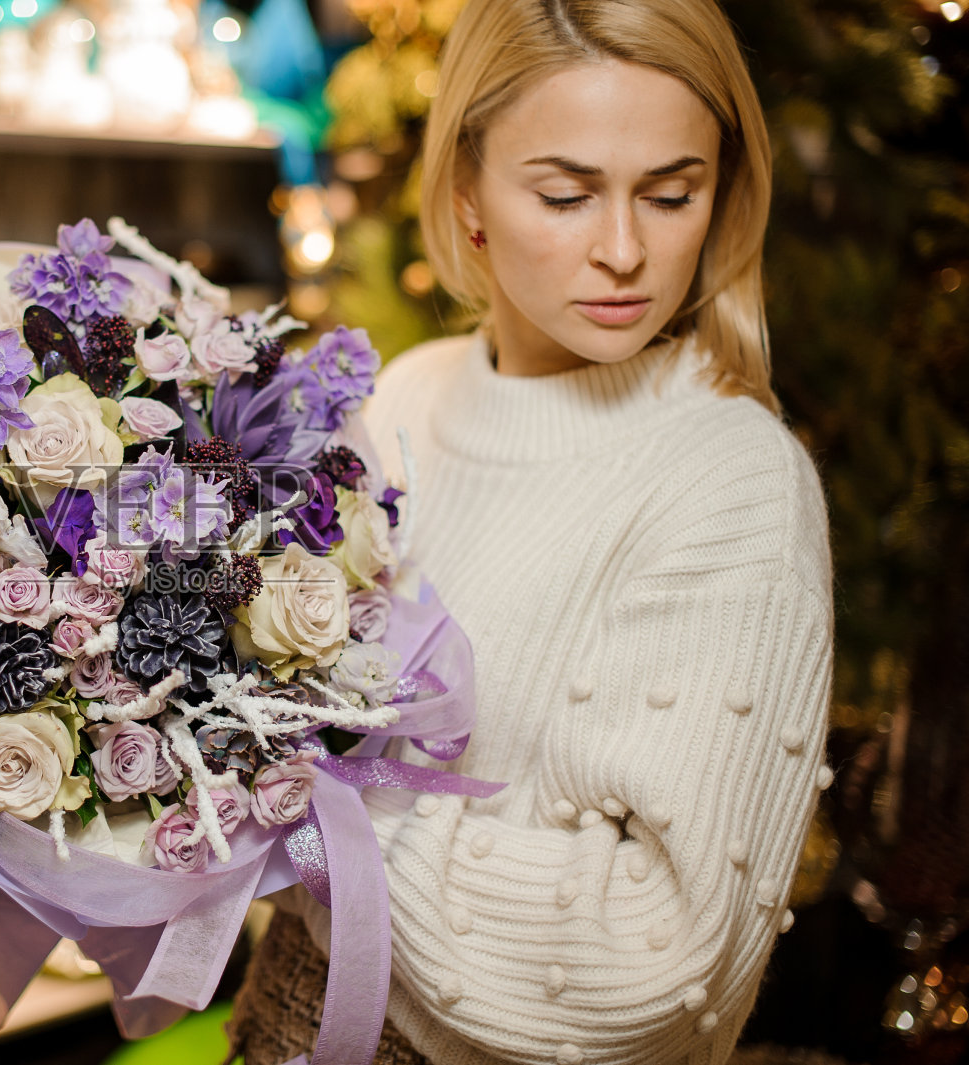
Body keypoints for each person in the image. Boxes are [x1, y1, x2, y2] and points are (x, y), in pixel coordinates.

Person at [229, 1, 834, 1063]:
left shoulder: (733, 480)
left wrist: (295, 811)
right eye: (563, 193)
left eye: (671, 194)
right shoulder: (403, 402)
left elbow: (656, 964)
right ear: (465, 192)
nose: (622, 251)